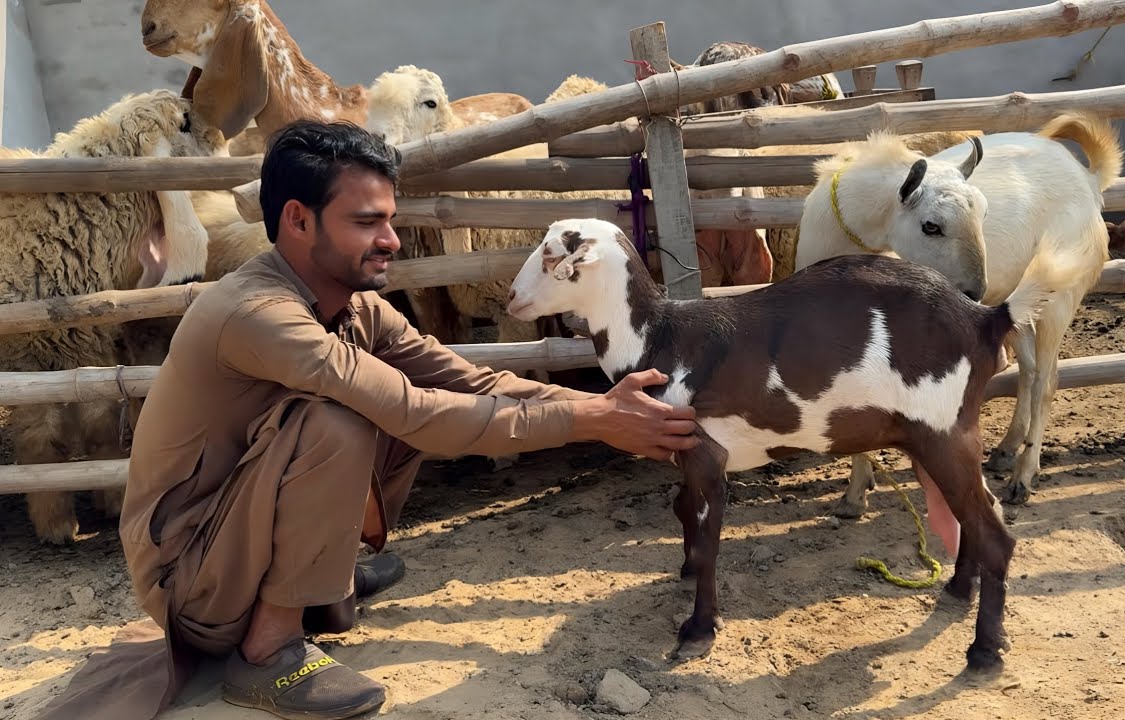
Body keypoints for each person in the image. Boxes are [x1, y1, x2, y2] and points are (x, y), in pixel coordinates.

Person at [37, 120, 698, 720]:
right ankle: (266, 652)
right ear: (298, 221)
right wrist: (592, 421)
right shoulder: (256, 313)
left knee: (383, 401)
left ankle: (324, 580)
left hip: (231, 542)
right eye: (366, 222)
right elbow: (414, 413)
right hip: (189, 575)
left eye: (389, 219)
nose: (391, 240)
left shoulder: (357, 309)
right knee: (344, 420)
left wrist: (612, 407)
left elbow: (473, 382)